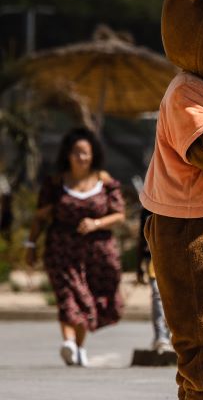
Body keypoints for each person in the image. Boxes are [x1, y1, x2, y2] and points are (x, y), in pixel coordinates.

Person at [25, 128, 125, 367]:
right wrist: (30, 244)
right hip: (62, 249)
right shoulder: (56, 183)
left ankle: (78, 347)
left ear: (93, 155)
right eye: (77, 153)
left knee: (87, 299)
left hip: (97, 251)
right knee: (68, 295)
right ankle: (68, 342)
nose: (82, 158)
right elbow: (40, 217)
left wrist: (96, 223)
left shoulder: (104, 180)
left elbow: (119, 215)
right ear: (68, 155)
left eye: (86, 153)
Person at [136, 207, 173, 353]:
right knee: (157, 295)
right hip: (153, 257)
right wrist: (138, 266)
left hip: (177, 255)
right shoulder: (147, 207)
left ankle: (174, 334)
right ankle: (160, 337)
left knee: (176, 297)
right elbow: (141, 236)